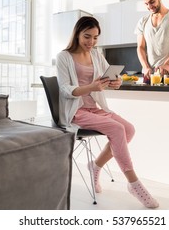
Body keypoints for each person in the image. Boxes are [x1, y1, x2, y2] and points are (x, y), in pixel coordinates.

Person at [56, 16, 159, 209]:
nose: (91, 42)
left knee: (128, 129)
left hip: (95, 108)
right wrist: (91, 87)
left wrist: (116, 82)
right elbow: (64, 89)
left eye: (95, 38)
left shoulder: (96, 55)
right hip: (76, 111)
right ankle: (134, 184)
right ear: (77, 34)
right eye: (87, 37)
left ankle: (95, 166)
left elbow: (109, 79)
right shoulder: (64, 57)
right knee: (116, 128)